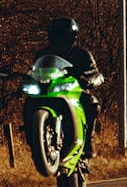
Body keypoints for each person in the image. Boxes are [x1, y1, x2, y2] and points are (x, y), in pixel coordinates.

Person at [34, 16, 103, 158]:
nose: (60, 41)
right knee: (29, 102)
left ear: (72, 37)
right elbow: (34, 71)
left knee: (91, 104)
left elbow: (97, 74)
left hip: (72, 92)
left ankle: (89, 139)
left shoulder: (82, 55)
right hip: (48, 91)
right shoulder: (42, 55)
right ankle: (34, 139)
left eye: (63, 37)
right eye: (56, 36)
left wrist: (89, 81)